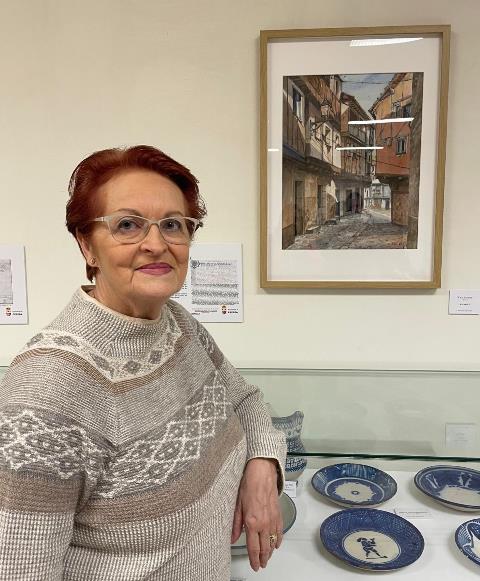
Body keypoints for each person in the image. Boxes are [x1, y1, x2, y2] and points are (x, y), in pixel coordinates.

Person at [0, 145, 286, 580]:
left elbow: (245, 400)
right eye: (128, 225)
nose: (156, 244)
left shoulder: (177, 324)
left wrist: (263, 465)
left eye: (173, 224)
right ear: (86, 245)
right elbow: (21, 569)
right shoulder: (46, 391)